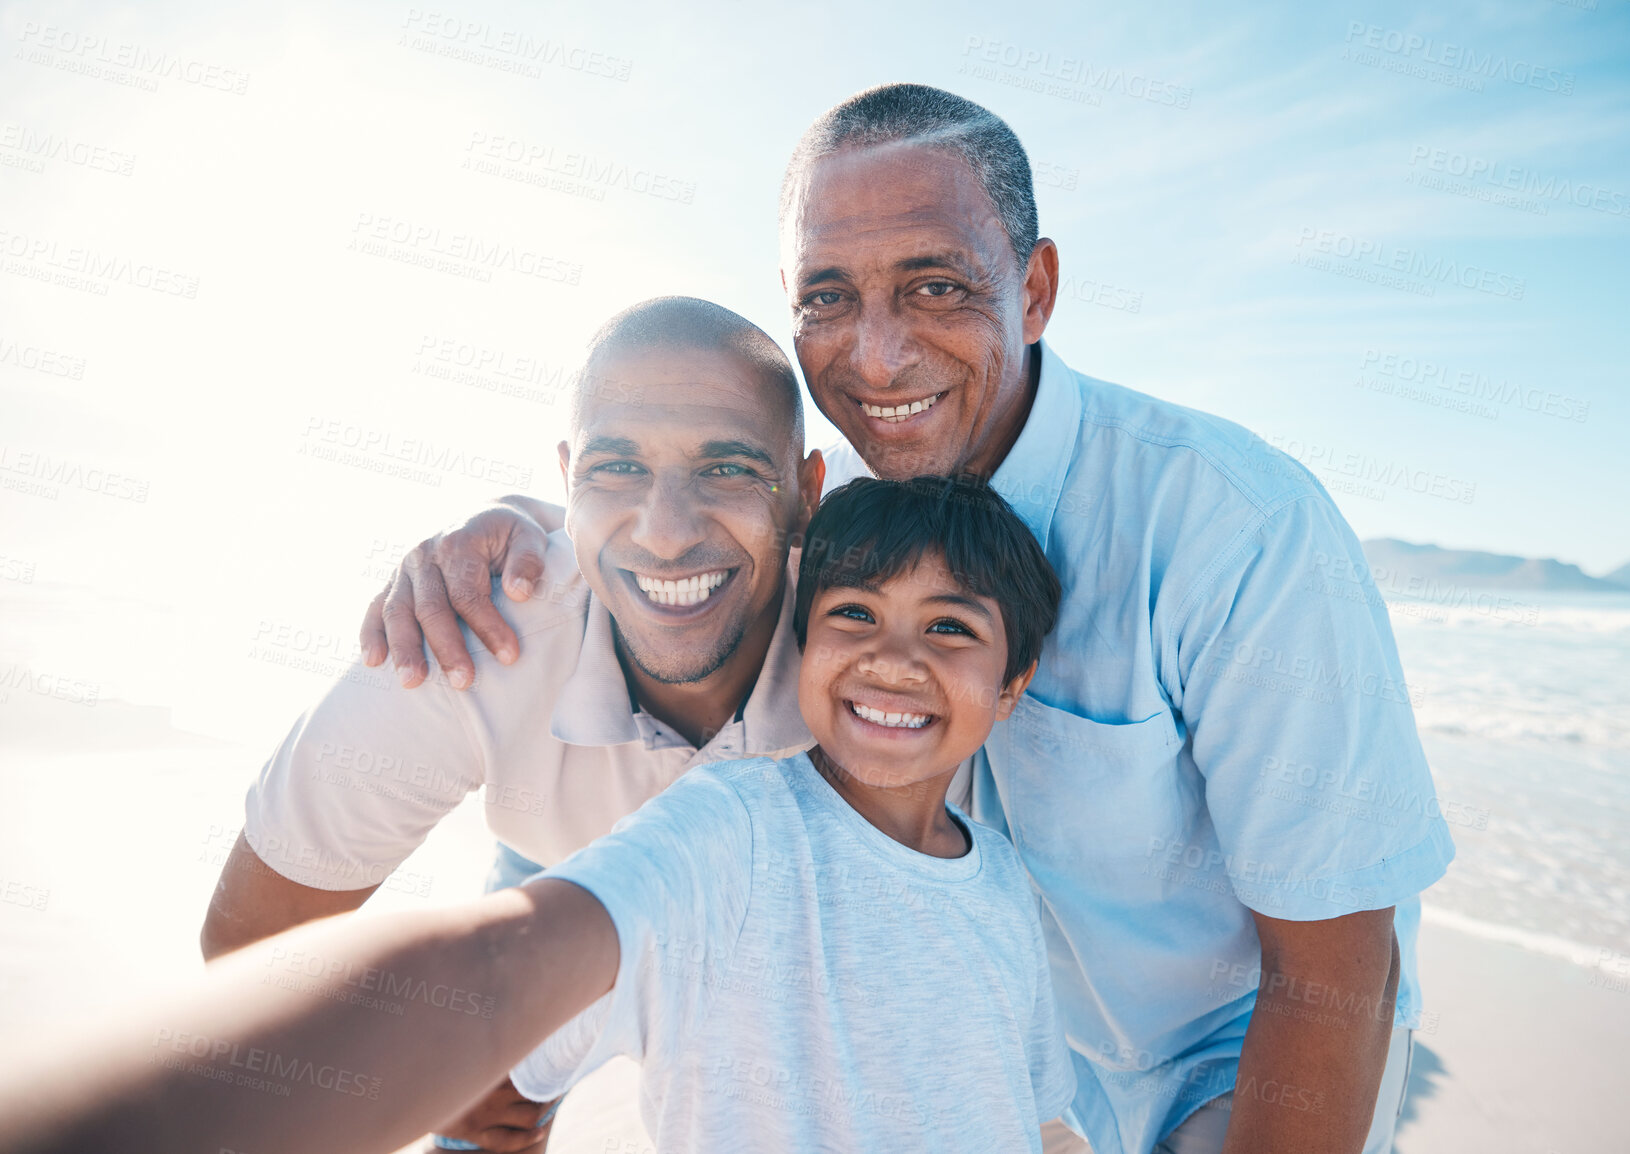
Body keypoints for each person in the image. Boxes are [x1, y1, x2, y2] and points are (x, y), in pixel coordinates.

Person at [375, 84, 1456, 1154]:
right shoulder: (818, 519)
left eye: (935, 286)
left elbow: (1333, 971)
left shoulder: (1236, 529)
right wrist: (516, 533)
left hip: (1233, 1059)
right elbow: (630, 657)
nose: (876, 356)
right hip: (985, 1055)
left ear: (1033, 290)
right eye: (828, 297)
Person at [0, 476, 1075, 1154]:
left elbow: (1041, 1117)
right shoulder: (732, 829)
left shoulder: (1005, 888)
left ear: (1015, 679)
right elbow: (505, 961)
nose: (896, 656)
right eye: (854, 615)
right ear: (803, 633)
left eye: (950, 627)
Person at [201, 295, 848, 1151]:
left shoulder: (883, 627)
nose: (664, 534)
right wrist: (414, 1071)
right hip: (559, 850)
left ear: (806, 493)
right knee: (479, 1111)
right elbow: (251, 949)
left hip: (782, 906)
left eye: (726, 468)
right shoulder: (472, 638)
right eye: (615, 469)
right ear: (565, 475)